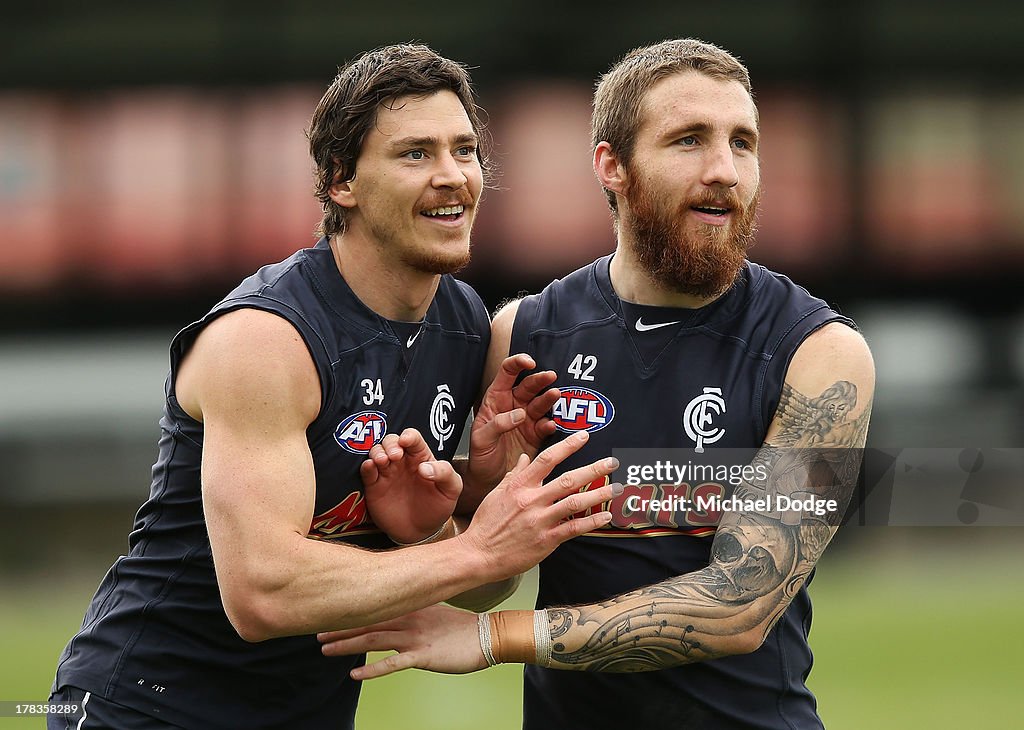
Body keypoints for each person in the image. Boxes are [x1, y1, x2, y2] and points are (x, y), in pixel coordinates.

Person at [47, 43, 622, 730]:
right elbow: (261, 593)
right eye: (415, 154)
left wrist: (451, 517)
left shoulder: (463, 324)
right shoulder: (266, 340)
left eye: (463, 150)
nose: (453, 176)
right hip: (144, 706)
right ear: (341, 181)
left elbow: (481, 589)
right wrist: (475, 546)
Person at [319, 38, 876, 730]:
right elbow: (492, 578)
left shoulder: (821, 354)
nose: (724, 170)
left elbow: (743, 607)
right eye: (689, 141)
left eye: (743, 143)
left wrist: (496, 641)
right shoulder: (524, 334)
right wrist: (438, 527)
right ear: (612, 166)